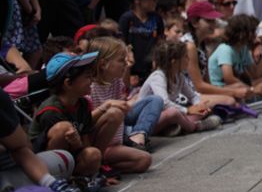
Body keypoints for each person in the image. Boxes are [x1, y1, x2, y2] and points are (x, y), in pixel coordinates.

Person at [86, 37, 164, 165]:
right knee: (114, 113)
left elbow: (125, 106)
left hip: (116, 142)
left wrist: (128, 104)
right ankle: (99, 164)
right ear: (103, 64)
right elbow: (85, 122)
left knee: (144, 160)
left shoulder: (116, 82)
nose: (126, 64)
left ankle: (110, 167)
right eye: (121, 60)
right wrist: (106, 106)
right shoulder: (90, 87)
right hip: (99, 144)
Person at [28, 52, 106, 179]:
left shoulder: (83, 104)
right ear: (68, 83)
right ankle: (56, 181)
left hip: (71, 155)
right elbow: (52, 147)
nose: (92, 80)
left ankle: (79, 180)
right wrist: (76, 145)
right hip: (43, 162)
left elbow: (85, 144)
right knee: (62, 129)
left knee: (93, 154)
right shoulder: (51, 110)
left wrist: (94, 169)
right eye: (87, 77)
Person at [138, 40, 223, 135]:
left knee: (204, 108)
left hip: (167, 115)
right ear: (174, 62)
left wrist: (199, 105)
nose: (188, 59)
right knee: (173, 113)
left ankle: (174, 128)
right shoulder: (158, 77)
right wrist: (188, 110)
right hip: (147, 120)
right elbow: (164, 103)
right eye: (186, 57)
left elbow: (192, 96)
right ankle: (195, 127)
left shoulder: (179, 76)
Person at [183, 2, 249, 105]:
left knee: (238, 89)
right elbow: (198, 86)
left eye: (214, 21)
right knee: (229, 100)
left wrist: (234, 90)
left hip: (195, 94)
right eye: (209, 21)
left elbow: (206, 83)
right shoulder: (189, 46)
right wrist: (233, 92)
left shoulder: (201, 45)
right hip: (183, 97)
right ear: (194, 22)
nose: (213, 25)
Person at [207, 14, 262, 99]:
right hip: (223, 87)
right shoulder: (226, 49)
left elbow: (256, 74)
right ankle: (253, 95)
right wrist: (252, 89)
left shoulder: (243, 48)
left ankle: (253, 95)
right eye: (253, 31)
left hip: (239, 84)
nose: (255, 35)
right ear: (243, 33)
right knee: (239, 86)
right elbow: (229, 78)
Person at [118, 0, 165, 81]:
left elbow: (160, 41)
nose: (155, 1)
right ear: (137, 1)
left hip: (151, 69)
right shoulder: (127, 18)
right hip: (133, 71)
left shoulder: (156, 18)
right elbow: (121, 43)